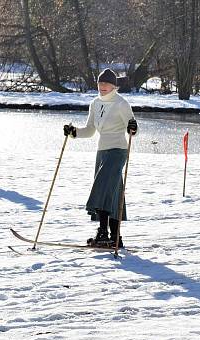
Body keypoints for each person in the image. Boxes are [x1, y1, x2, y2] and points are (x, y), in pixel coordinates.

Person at [63, 68, 137, 247]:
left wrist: (132, 128)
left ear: (114, 86)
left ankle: (103, 232)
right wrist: (73, 132)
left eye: (107, 84)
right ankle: (115, 236)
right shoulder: (95, 103)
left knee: (103, 188)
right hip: (102, 151)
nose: (103, 86)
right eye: (100, 83)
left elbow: (132, 126)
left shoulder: (121, 103)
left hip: (118, 150)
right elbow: (90, 131)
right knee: (113, 192)